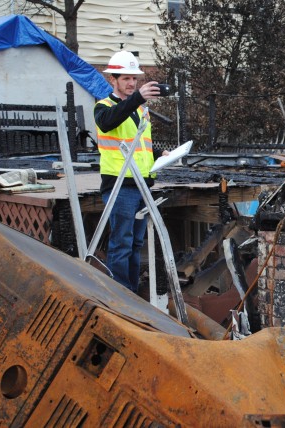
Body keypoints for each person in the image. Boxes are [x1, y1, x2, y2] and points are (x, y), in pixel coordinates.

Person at [94, 50, 168, 293]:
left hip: (141, 184)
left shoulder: (139, 110)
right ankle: (121, 295)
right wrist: (137, 98)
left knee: (136, 243)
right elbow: (108, 122)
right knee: (121, 243)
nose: (131, 83)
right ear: (112, 80)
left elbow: (139, 149)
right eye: (125, 78)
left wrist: (159, 157)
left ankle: (131, 292)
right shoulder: (103, 107)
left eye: (133, 79)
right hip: (119, 185)